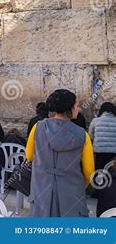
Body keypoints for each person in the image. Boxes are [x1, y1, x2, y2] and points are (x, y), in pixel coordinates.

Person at [26, 89, 94, 217]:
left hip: (42, 189)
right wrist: (77, 185)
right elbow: (89, 171)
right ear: (70, 108)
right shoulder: (83, 135)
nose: (78, 109)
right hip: (72, 193)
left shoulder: (37, 127)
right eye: (77, 105)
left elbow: (29, 156)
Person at [89, 102, 116, 170]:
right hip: (114, 152)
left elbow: (90, 136)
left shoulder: (95, 121)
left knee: (100, 172)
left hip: (99, 151)